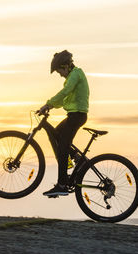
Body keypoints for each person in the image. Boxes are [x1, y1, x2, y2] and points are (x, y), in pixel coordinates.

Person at [38, 50, 89, 197]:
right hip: (74, 115)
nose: (59, 74)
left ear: (66, 66)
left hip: (77, 116)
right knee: (55, 136)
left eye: (59, 70)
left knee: (62, 148)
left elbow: (65, 92)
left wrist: (48, 104)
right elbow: (63, 98)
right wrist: (50, 105)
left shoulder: (76, 74)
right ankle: (78, 159)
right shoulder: (71, 77)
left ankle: (62, 185)